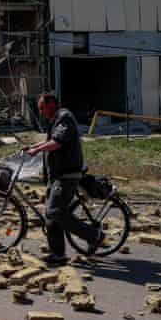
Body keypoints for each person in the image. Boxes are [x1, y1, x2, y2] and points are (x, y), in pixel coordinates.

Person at [24, 93, 103, 266]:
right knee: (50, 216)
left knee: (55, 212)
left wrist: (37, 151)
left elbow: (57, 142)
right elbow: (50, 141)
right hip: (57, 175)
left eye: (42, 108)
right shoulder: (55, 120)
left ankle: (93, 235)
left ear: (52, 104)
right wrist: (33, 147)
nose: (41, 112)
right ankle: (58, 254)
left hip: (67, 174)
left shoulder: (64, 117)